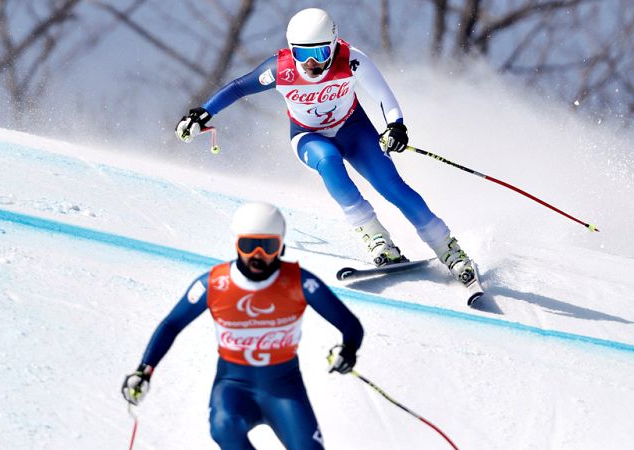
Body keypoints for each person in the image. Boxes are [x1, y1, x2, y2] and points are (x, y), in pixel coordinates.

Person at [175, 7, 480, 291]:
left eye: (320, 52)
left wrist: (395, 126)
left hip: (354, 131)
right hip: (309, 137)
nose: (311, 63)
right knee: (329, 161)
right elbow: (239, 87)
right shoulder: (281, 70)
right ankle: (375, 237)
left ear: (333, 45)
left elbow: (384, 95)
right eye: (301, 53)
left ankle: (447, 248)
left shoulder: (351, 59)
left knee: (392, 187)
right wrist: (201, 114)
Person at [121, 202, 363, 450]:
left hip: (284, 388)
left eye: (268, 246)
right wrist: (145, 369)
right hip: (233, 387)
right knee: (225, 427)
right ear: (237, 245)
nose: (257, 254)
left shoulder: (300, 282)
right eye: (248, 245)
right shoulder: (214, 283)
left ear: (280, 247)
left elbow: (350, 325)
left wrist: (348, 349)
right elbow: (172, 324)